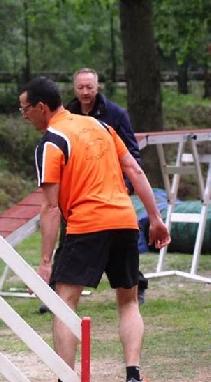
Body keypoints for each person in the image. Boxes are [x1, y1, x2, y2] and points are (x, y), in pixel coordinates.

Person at [18, 76, 171, 382]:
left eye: (25, 109)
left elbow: (49, 208)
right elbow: (135, 169)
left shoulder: (51, 141)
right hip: (124, 220)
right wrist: (155, 219)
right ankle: (134, 378)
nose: (24, 115)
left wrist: (45, 264)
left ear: (41, 108)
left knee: (64, 302)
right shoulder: (100, 127)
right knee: (128, 301)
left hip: (87, 225)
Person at [67, 68, 148, 305]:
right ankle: (57, 294)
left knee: (123, 244)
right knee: (69, 241)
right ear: (74, 89)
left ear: (97, 87)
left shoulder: (115, 114)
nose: (85, 92)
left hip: (114, 191)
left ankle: (136, 285)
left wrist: (126, 186)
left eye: (89, 87)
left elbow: (133, 155)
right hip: (80, 193)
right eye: (80, 87)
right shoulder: (68, 114)